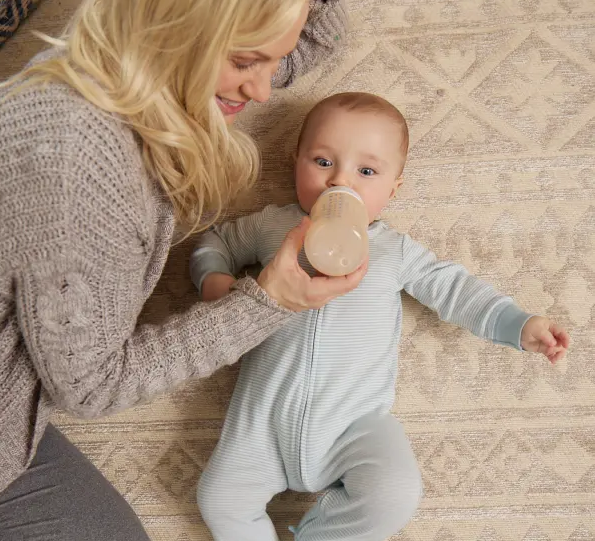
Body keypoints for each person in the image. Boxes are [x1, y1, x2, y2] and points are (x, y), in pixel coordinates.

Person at [0, 0, 366, 541]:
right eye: (245, 61)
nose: (261, 89)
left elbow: (316, 35)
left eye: (271, 58)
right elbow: (92, 385)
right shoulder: (74, 164)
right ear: (176, 24)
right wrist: (269, 299)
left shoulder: (129, 56)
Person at [190, 92, 571, 541]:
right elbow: (213, 242)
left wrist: (517, 325)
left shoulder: (394, 250)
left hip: (353, 424)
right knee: (219, 498)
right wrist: (213, 280)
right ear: (295, 161)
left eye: (366, 171)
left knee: (395, 491)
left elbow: (454, 288)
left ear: (394, 188)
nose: (340, 182)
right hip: (261, 422)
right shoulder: (273, 227)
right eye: (322, 161)